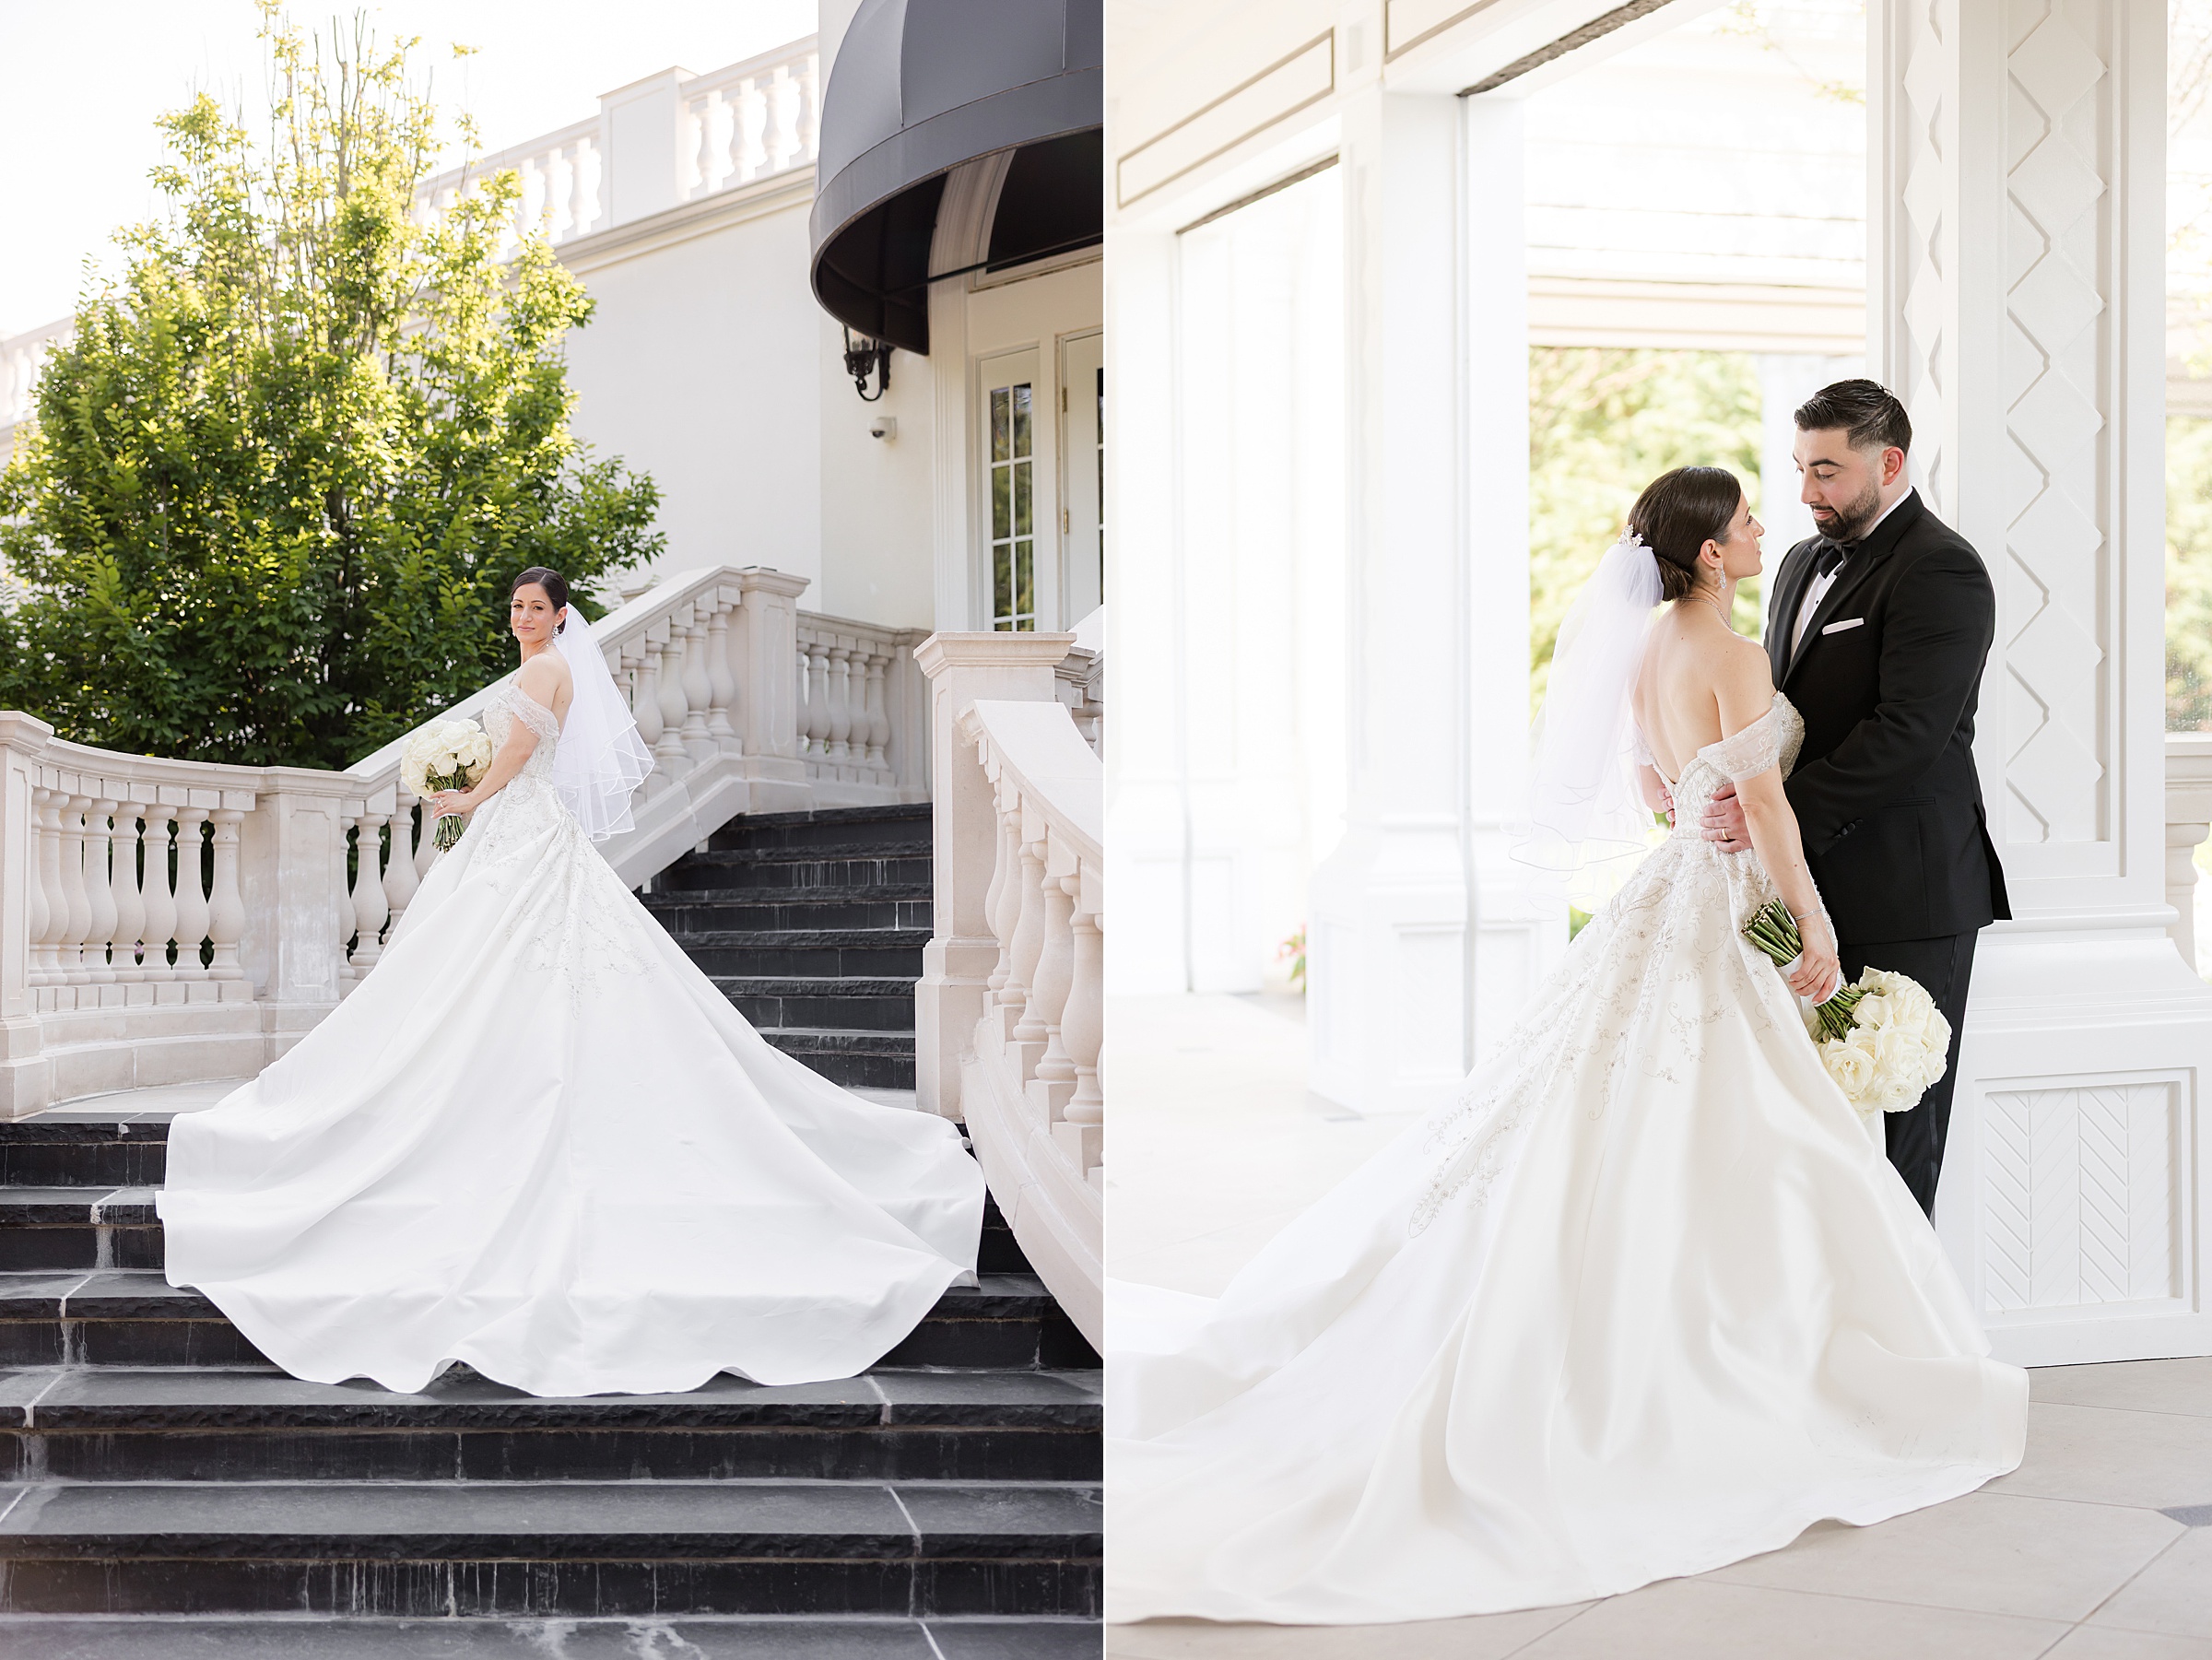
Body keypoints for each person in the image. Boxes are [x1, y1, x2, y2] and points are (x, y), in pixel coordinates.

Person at [1105, 469, 2026, 1626]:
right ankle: (1739, 1357)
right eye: (1745, 518)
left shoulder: (1645, 648)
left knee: (1643, 1116)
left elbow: (1654, 785)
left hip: (1672, 889)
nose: (1765, 526)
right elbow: (1767, 810)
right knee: (1745, 1129)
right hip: (1734, 902)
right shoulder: (1733, 655)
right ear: (1709, 553)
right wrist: (1816, 928)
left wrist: (1696, 808)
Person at [157, 568, 984, 1397]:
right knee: (485, 970)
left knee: (510, 965)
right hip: (521, 833)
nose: (523, 616)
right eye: (516, 606)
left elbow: (518, 758)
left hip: (520, 831)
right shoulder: (539, 668)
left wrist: (463, 797)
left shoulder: (545, 669)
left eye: (536, 608)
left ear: (560, 617)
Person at [1700, 379, 2006, 1217]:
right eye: (1801, 468)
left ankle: (1910, 1302)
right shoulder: (1800, 562)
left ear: (1890, 463)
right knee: (1814, 1133)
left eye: (1827, 470)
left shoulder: (1943, 568)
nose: (1806, 491)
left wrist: (1770, 813)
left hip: (1908, 887)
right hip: (1804, 882)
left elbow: (1909, 733)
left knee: (1900, 1131)